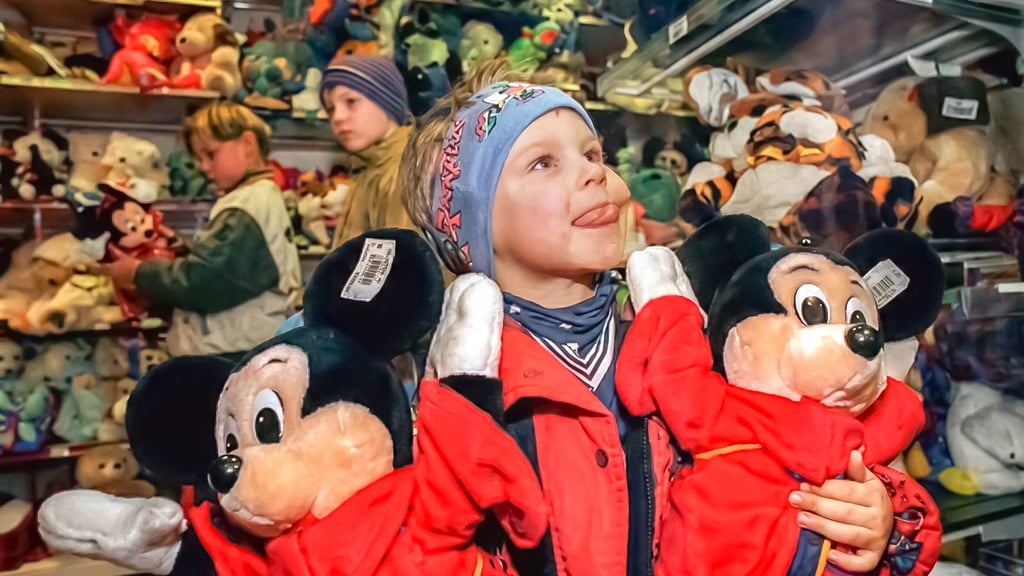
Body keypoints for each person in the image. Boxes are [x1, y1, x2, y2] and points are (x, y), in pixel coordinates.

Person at [401, 61, 901, 575]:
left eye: (593, 152)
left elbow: (804, 437)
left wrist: (879, 513)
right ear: (470, 228)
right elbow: (431, 543)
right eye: (543, 163)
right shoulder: (460, 389)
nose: (596, 171)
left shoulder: (684, 332)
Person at [102, 101, 302, 362]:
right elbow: (231, 273)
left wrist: (138, 272)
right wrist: (184, 250)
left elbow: (204, 282)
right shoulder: (257, 199)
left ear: (248, 145)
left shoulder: (246, 206)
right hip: (242, 347)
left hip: (233, 353)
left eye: (211, 154)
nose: (204, 167)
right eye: (199, 158)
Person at [320, 54, 418, 249]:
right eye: (331, 109)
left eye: (351, 102)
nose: (337, 117)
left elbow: (406, 271)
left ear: (386, 103)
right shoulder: (368, 167)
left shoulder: (404, 173)